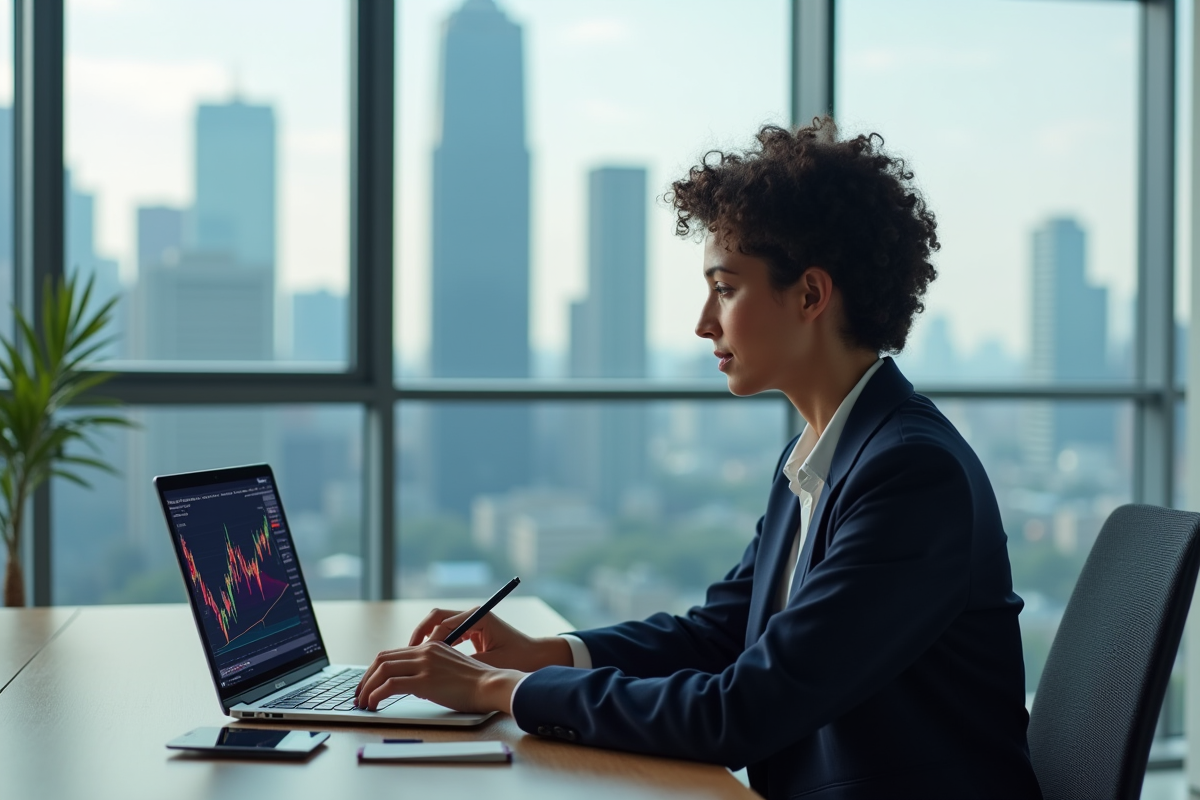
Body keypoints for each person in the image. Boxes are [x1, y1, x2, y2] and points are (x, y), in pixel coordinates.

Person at [355, 118, 1042, 800]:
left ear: (809, 295)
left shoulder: (910, 477)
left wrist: (498, 689)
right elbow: (723, 635)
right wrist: (549, 655)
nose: (703, 322)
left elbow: (740, 712)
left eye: (726, 288)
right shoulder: (820, 454)